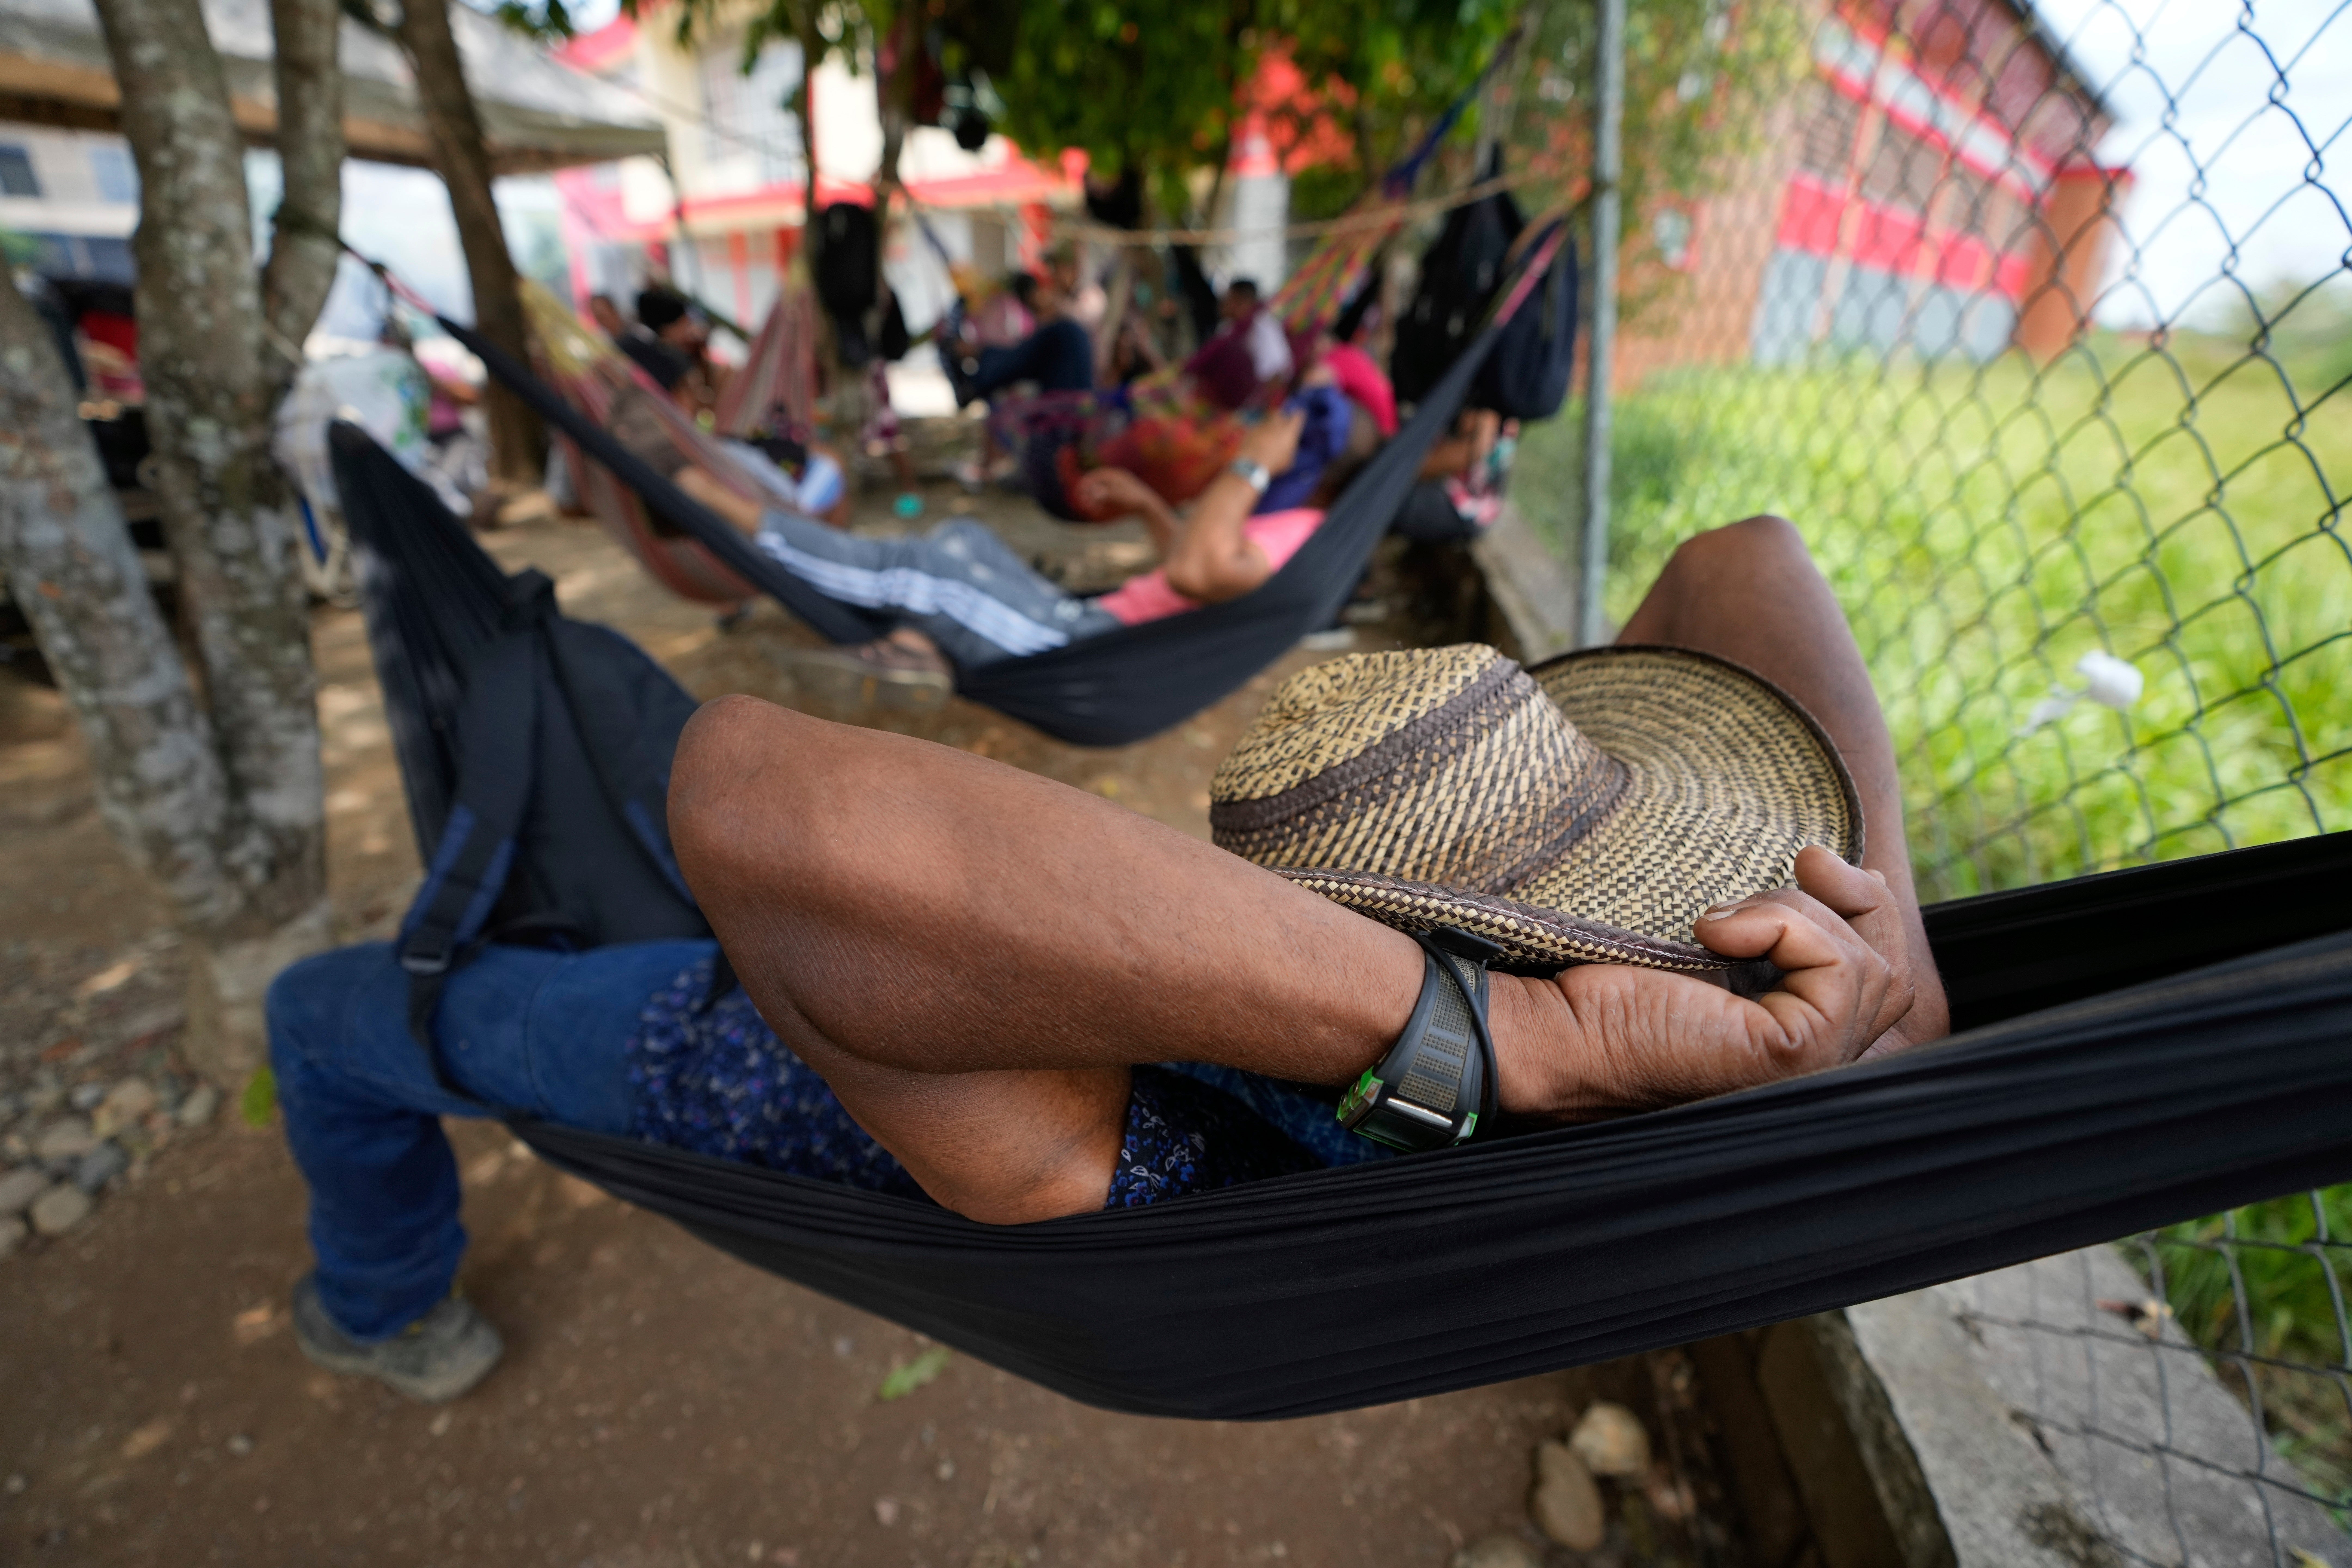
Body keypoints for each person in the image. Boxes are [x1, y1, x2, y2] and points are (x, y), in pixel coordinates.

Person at [263, 513, 1947, 1401]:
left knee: (328, 1017)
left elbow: (759, 795)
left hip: (732, 1029)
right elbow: (1745, 558)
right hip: (914, 940)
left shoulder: (1169, 1184)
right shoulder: (1705, 1071)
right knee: (595, 725)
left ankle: (381, 1306)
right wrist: (1896, 978)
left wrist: (1514, 1038)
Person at [670, 401, 1370, 699]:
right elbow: (1193, 584)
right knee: (961, 537)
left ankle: (741, 515)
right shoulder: (1303, 525)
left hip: (1084, 652)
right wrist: (1151, 506)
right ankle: (922, 647)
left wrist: (1250, 464)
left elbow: (1196, 568)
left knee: (931, 573)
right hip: (1086, 618)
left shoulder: (1304, 537)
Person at [1392, 407, 1516, 543]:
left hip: (1460, 509)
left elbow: (1410, 469)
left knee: (1387, 488)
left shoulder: (1483, 425)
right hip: (1448, 478)